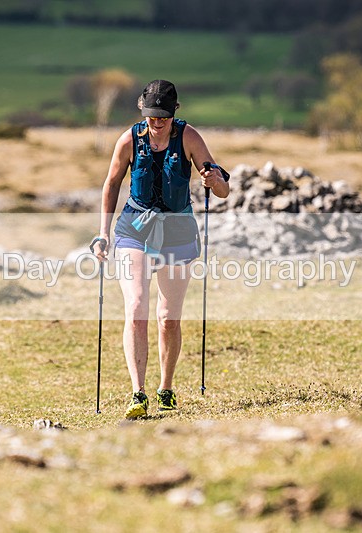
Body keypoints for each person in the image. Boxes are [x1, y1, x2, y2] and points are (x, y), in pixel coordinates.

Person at [92, 80, 230, 419]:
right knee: (136, 306)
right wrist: (103, 233)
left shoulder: (189, 137)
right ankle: (137, 393)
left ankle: (165, 387)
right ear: (143, 111)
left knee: (168, 318)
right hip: (134, 229)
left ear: (174, 113)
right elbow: (112, 183)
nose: (157, 122)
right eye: (152, 116)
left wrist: (214, 180)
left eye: (163, 117)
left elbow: (223, 189)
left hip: (177, 231)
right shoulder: (129, 139)